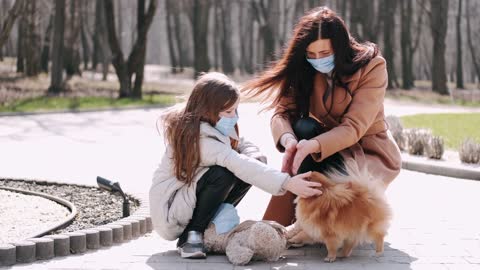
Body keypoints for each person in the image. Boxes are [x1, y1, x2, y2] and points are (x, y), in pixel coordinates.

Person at [242, 7, 402, 227]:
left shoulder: (372, 67)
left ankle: (297, 223)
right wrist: (288, 139)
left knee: (339, 221)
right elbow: (281, 113)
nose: (318, 60)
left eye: (325, 54)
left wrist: (314, 145)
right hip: (324, 149)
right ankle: (275, 227)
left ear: (340, 47)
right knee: (302, 129)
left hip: (365, 151)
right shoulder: (305, 69)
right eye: (311, 55)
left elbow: (354, 127)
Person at [149, 72, 322, 259]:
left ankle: (208, 226)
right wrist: (288, 183)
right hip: (171, 211)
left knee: (244, 168)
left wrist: (255, 157)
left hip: (188, 197)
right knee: (223, 174)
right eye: (229, 112)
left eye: (236, 110)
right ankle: (192, 235)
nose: (234, 117)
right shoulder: (198, 140)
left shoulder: (213, 125)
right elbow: (236, 161)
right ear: (208, 110)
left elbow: (241, 144)